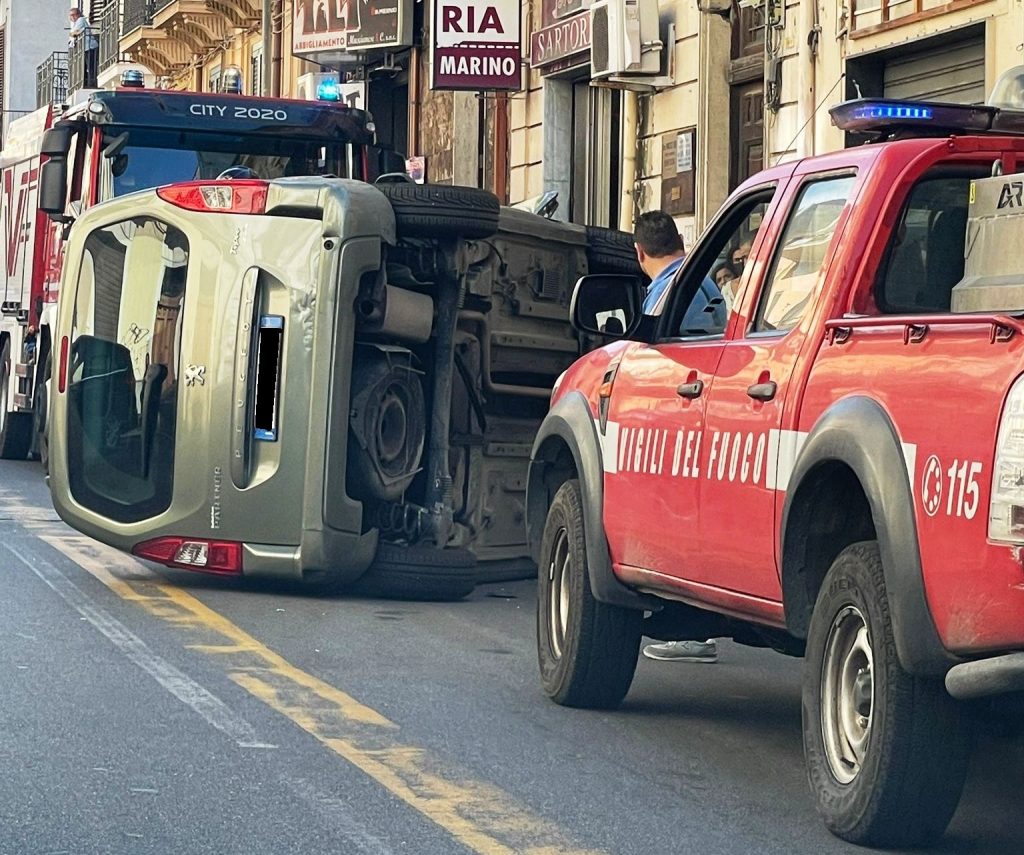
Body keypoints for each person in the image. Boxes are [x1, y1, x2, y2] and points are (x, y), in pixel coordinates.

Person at [68, 8, 98, 89]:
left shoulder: (81, 20)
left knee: (91, 66)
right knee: (84, 67)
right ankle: (86, 83)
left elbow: (73, 32)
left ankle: (92, 83)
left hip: (90, 47)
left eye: (74, 15)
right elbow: (73, 33)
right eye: (71, 15)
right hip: (84, 48)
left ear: (79, 14)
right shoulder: (75, 23)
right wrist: (74, 33)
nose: (73, 17)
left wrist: (74, 33)